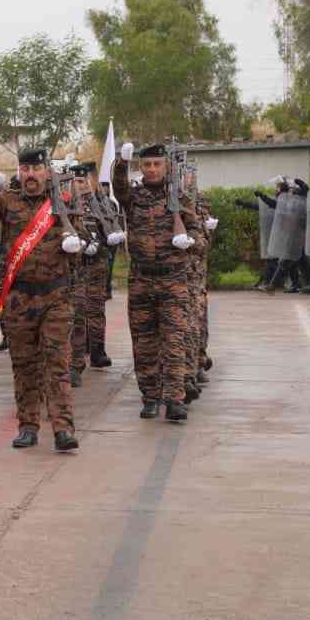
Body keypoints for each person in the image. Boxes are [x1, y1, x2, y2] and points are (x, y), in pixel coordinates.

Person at [0, 150, 82, 451]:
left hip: (56, 296)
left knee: (57, 363)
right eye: (25, 169)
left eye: (36, 168)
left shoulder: (63, 201)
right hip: (20, 298)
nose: (30, 174)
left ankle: (63, 429)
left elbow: (82, 234)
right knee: (24, 365)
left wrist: (76, 242)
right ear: (19, 172)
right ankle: (28, 427)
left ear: (47, 171)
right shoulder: (9, 200)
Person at [112, 143, 199, 422]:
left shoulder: (180, 197)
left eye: (157, 164)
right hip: (141, 279)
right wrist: (122, 163)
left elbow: (198, 234)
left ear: (166, 166)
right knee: (144, 343)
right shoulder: (133, 197)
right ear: (141, 167)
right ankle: (150, 397)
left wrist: (189, 241)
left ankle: (174, 400)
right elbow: (118, 187)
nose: (152, 169)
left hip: (173, 280)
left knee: (174, 341)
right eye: (147, 164)